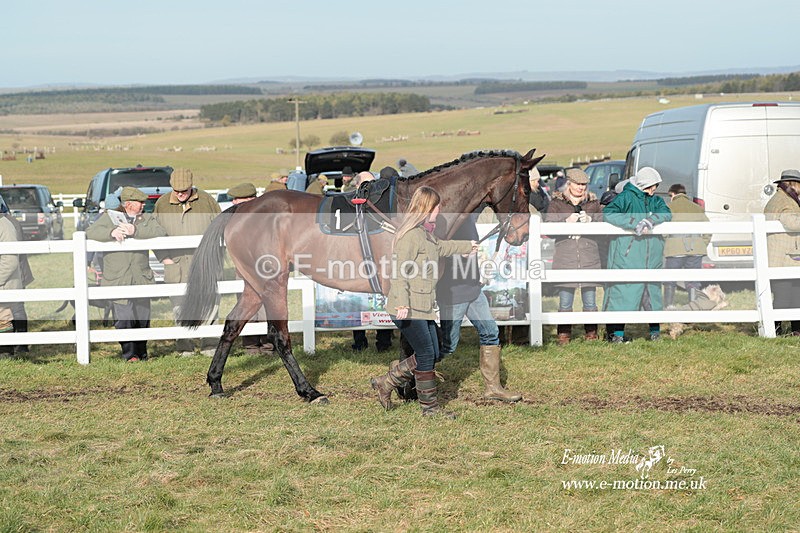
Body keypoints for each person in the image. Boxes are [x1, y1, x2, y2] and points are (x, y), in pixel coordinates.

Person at [370, 186, 476, 418]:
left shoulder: (426, 234)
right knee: (427, 353)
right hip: (407, 306)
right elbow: (398, 272)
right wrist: (402, 304)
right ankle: (430, 409)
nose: (439, 210)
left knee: (436, 351)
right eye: (437, 206)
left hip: (424, 306)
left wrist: (468, 247)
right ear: (428, 208)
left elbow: (442, 247)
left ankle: (386, 382)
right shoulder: (410, 237)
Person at [437, 210, 522, 402]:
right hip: (453, 291)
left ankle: (493, 388)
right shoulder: (446, 219)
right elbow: (436, 246)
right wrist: (462, 249)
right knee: (448, 345)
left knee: (491, 332)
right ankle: (400, 373)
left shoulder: (469, 218)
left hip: (473, 288)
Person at [86, 187, 167, 361]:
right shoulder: (110, 217)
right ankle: (130, 355)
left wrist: (135, 231)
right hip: (118, 278)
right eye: (140, 203)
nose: (143, 205)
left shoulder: (145, 219)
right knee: (124, 318)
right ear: (128, 204)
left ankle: (142, 352)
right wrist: (111, 233)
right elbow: (91, 232)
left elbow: (160, 233)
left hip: (141, 277)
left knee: (142, 317)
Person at [153, 168, 221, 356]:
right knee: (179, 306)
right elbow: (155, 233)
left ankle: (209, 345)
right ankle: (185, 346)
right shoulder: (162, 204)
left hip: (205, 263)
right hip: (176, 264)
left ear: (191, 187)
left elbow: (220, 230)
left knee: (209, 303)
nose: (180, 194)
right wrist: (165, 259)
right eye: (176, 190)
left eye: (184, 190)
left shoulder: (207, 201)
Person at [602, 167, 672, 342]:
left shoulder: (655, 200)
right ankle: (617, 335)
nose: (654, 190)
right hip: (628, 257)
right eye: (651, 186)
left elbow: (666, 213)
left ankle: (655, 333)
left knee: (652, 297)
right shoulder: (625, 197)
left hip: (652, 258)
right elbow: (608, 213)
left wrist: (651, 220)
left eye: (655, 186)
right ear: (643, 185)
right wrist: (633, 223)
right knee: (623, 295)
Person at [545, 168, 603, 344]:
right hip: (566, 257)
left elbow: (603, 226)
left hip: (588, 256)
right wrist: (565, 223)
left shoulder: (593, 204)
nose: (581, 188)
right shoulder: (556, 203)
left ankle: (591, 334)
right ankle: (564, 335)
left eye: (584, 185)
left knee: (590, 301)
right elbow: (548, 227)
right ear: (569, 184)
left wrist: (592, 222)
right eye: (578, 184)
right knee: (565, 301)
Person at [226, 182, 273, 352]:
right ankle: (251, 344)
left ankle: (268, 343)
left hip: (264, 267)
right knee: (246, 305)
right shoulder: (234, 218)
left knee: (267, 307)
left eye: (239, 200)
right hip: (243, 268)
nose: (235, 203)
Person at [764, 169, 800, 336]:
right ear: (793, 184)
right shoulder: (785, 201)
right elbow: (791, 222)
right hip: (784, 257)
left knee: (792, 297)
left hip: (785, 257)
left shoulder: (782, 198)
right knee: (785, 298)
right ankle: (777, 330)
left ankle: (787, 330)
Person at [663, 183, 710, 307]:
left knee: (670, 280)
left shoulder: (669, 207)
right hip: (696, 249)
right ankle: (694, 305)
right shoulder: (697, 208)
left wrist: (666, 243)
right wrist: (702, 243)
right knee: (693, 280)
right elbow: (708, 228)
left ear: (672, 194)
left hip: (675, 250)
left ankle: (669, 306)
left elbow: (663, 231)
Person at [0, 203, 33, 353]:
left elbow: (10, 259)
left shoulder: (5, 224)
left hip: (6, 281)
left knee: (9, 314)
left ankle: (11, 350)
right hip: (9, 277)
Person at [0, 211, 22, 355]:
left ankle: (5, 354)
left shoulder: (4, 225)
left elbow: (10, 260)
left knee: (3, 318)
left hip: (3, 282)